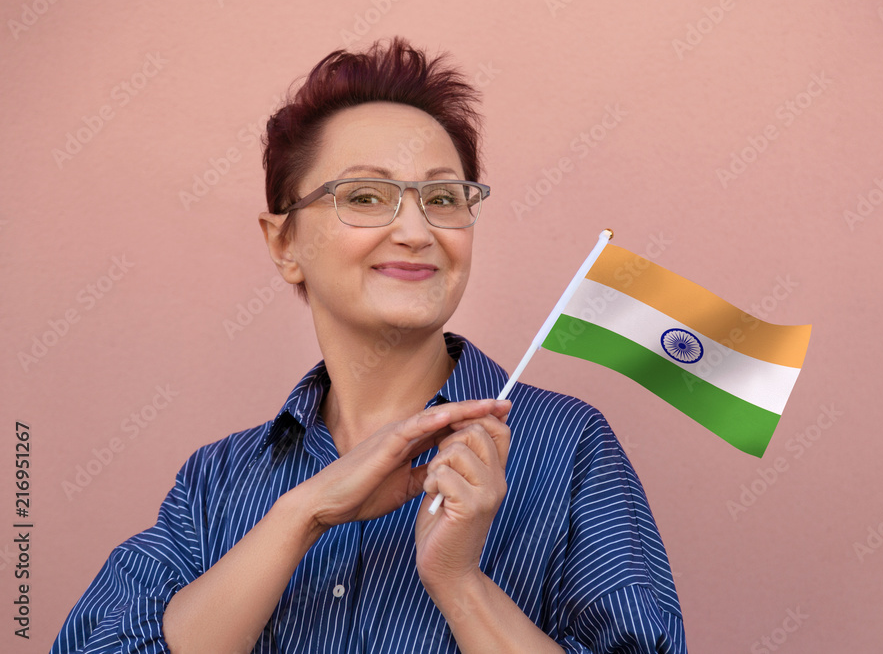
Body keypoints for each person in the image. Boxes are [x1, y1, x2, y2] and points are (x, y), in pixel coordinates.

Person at [51, 37, 687, 653]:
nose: (415, 231)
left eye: (443, 198)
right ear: (284, 244)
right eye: (363, 196)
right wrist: (303, 514)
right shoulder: (217, 481)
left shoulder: (568, 447)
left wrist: (460, 584)